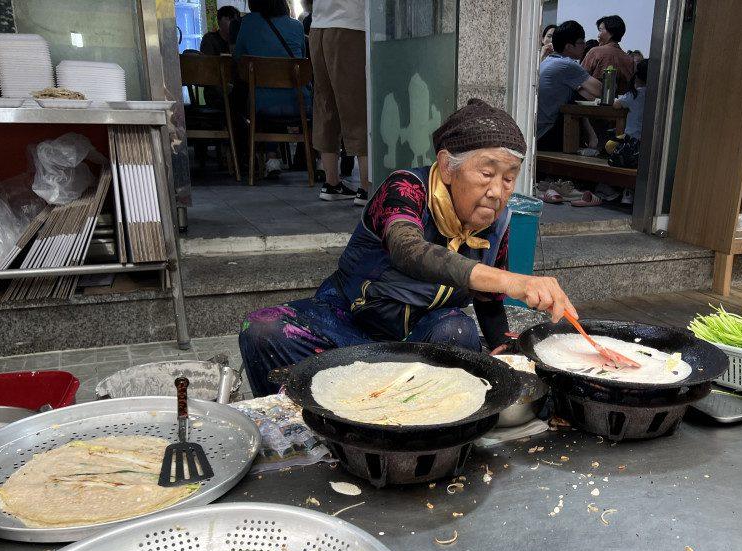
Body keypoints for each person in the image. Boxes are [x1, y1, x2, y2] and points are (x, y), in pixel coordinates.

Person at [239, 99, 578, 397]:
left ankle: (421, 423)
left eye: (508, 178)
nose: (496, 191)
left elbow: (489, 305)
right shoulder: (404, 188)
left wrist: (505, 350)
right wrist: (512, 281)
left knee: (456, 330)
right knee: (264, 330)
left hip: (417, 340)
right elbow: (407, 249)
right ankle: (298, 430)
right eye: (486, 173)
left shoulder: (497, 223)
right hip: (352, 323)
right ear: (447, 166)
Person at [233, 0, 310, 178]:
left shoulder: (248, 23)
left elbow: (238, 59)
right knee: (278, 96)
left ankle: (271, 159)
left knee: (258, 97)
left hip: (262, 104)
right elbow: (302, 62)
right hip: (299, 102)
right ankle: (317, 161)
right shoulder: (296, 26)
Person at [309, 0, 371, 205]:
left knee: (325, 105)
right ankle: (367, 188)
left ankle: (332, 183)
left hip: (319, 27)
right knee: (357, 106)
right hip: (350, 25)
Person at [536, 20, 602, 151]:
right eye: (580, 42)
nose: (584, 45)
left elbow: (588, 93)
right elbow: (598, 90)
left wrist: (579, 87)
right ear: (568, 46)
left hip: (536, 131)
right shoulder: (567, 64)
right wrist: (580, 87)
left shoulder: (549, 60)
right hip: (547, 133)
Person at [582, 15, 635, 94]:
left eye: (600, 30)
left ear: (611, 33)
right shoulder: (630, 60)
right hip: (619, 104)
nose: (598, 35)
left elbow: (580, 77)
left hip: (590, 103)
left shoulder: (595, 52)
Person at [615, 59, 649, 141]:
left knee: (610, 144)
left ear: (636, 77)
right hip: (648, 140)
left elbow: (616, 105)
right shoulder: (655, 95)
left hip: (632, 139)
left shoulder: (634, 95)